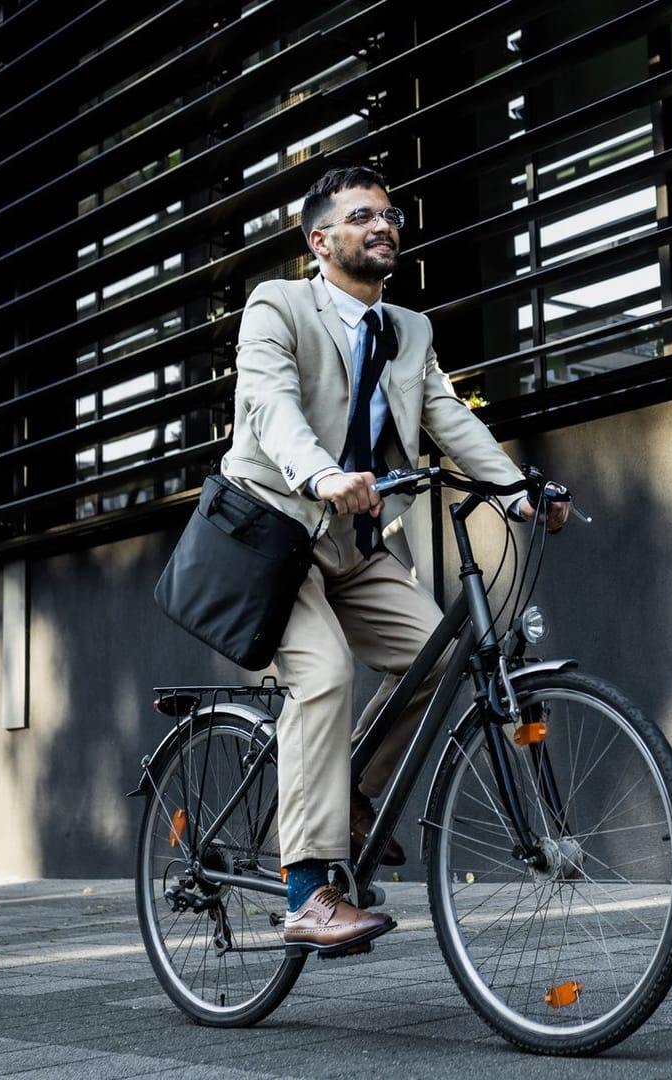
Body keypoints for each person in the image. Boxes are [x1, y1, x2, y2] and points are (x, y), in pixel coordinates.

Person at [219, 164, 569, 952]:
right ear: (320, 241)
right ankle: (307, 891)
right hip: (277, 533)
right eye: (362, 215)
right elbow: (269, 405)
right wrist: (323, 473)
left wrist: (516, 490)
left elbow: (447, 415)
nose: (385, 225)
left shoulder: (410, 330)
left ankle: (345, 800)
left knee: (446, 656)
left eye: (390, 214)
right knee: (325, 675)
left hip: (357, 542)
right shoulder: (277, 306)